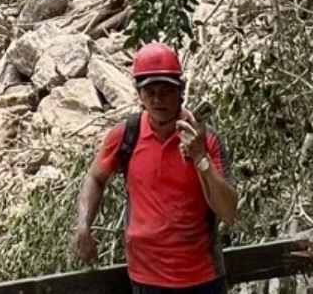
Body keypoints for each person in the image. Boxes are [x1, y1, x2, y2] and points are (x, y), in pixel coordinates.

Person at [72, 42, 239, 294]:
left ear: (180, 93)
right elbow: (95, 178)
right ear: (140, 95)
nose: (158, 99)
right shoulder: (126, 135)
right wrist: (84, 226)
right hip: (147, 281)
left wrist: (200, 158)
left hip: (203, 278)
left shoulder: (207, 139)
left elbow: (228, 213)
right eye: (150, 92)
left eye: (166, 91)